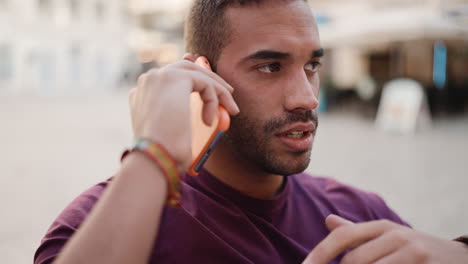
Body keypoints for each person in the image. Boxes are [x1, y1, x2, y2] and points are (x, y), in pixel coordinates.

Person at [34, 0, 468, 263]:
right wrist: (155, 155)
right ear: (199, 75)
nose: (307, 97)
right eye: (270, 66)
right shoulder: (98, 224)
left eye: (312, 66)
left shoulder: (360, 214)